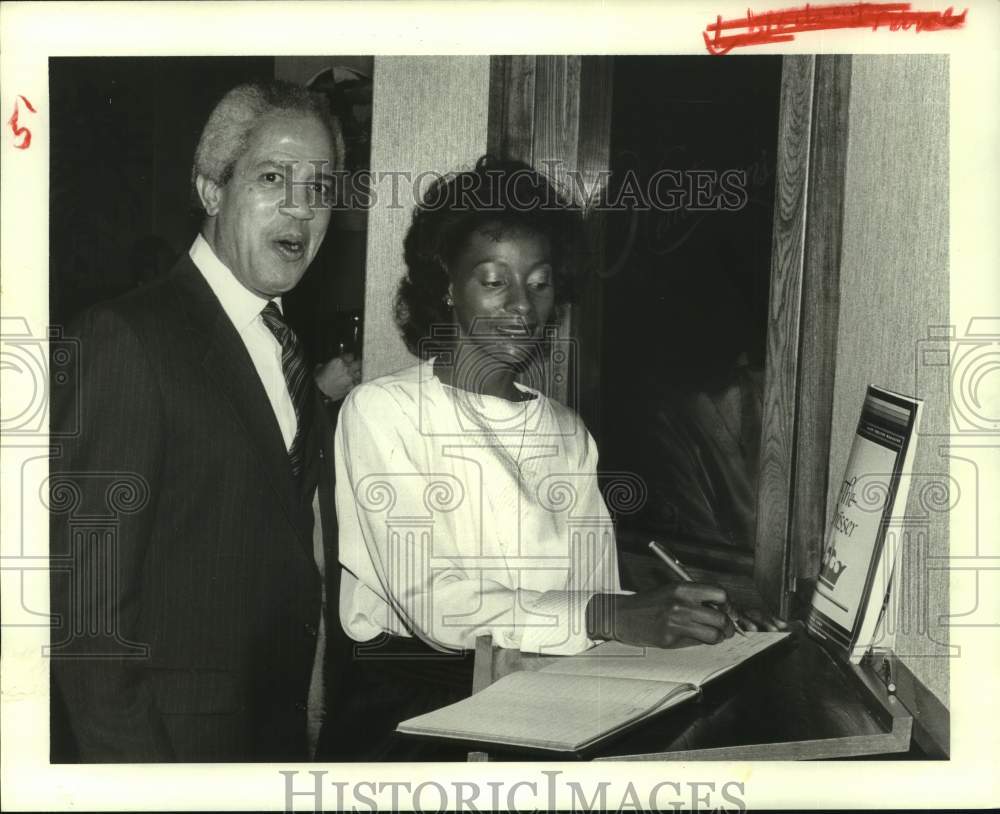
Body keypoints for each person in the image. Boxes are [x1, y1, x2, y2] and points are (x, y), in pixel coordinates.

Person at [324, 156, 743, 760]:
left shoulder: (567, 433)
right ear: (446, 285)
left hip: (546, 707)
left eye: (540, 283)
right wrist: (608, 615)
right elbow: (435, 604)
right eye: (495, 281)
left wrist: (692, 624)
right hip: (415, 718)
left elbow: (596, 597)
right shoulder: (382, 411)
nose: (522, 305)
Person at [49, 80, 347, 762]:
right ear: (212, 190)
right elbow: (87, 618)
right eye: (273, 178)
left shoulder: (285, 347)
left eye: (320, 186)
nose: (302, 208)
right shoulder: (126, 338)